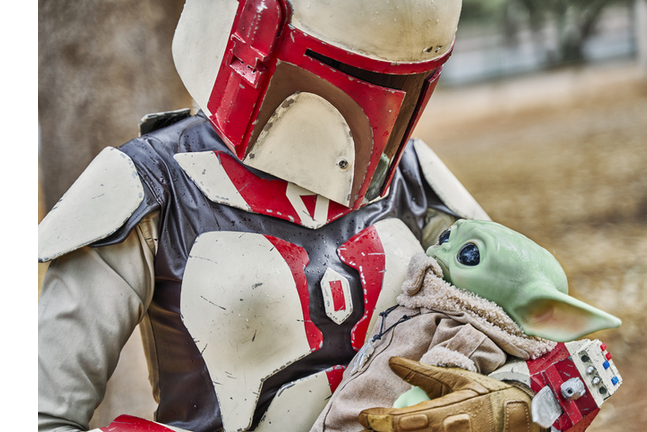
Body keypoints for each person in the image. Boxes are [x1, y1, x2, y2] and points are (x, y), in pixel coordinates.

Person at [37, 1, 498, 431]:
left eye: (397, 86)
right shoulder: (148, 182)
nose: (367, 111)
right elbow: (41, 412)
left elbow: (519, 322)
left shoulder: (411, 176)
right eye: (338, 71)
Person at [310, 219, 622, 431]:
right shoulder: (429, 305)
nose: (440, 248)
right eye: (446, 236)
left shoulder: (466, 334)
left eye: (468, 254)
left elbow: (440, 386)